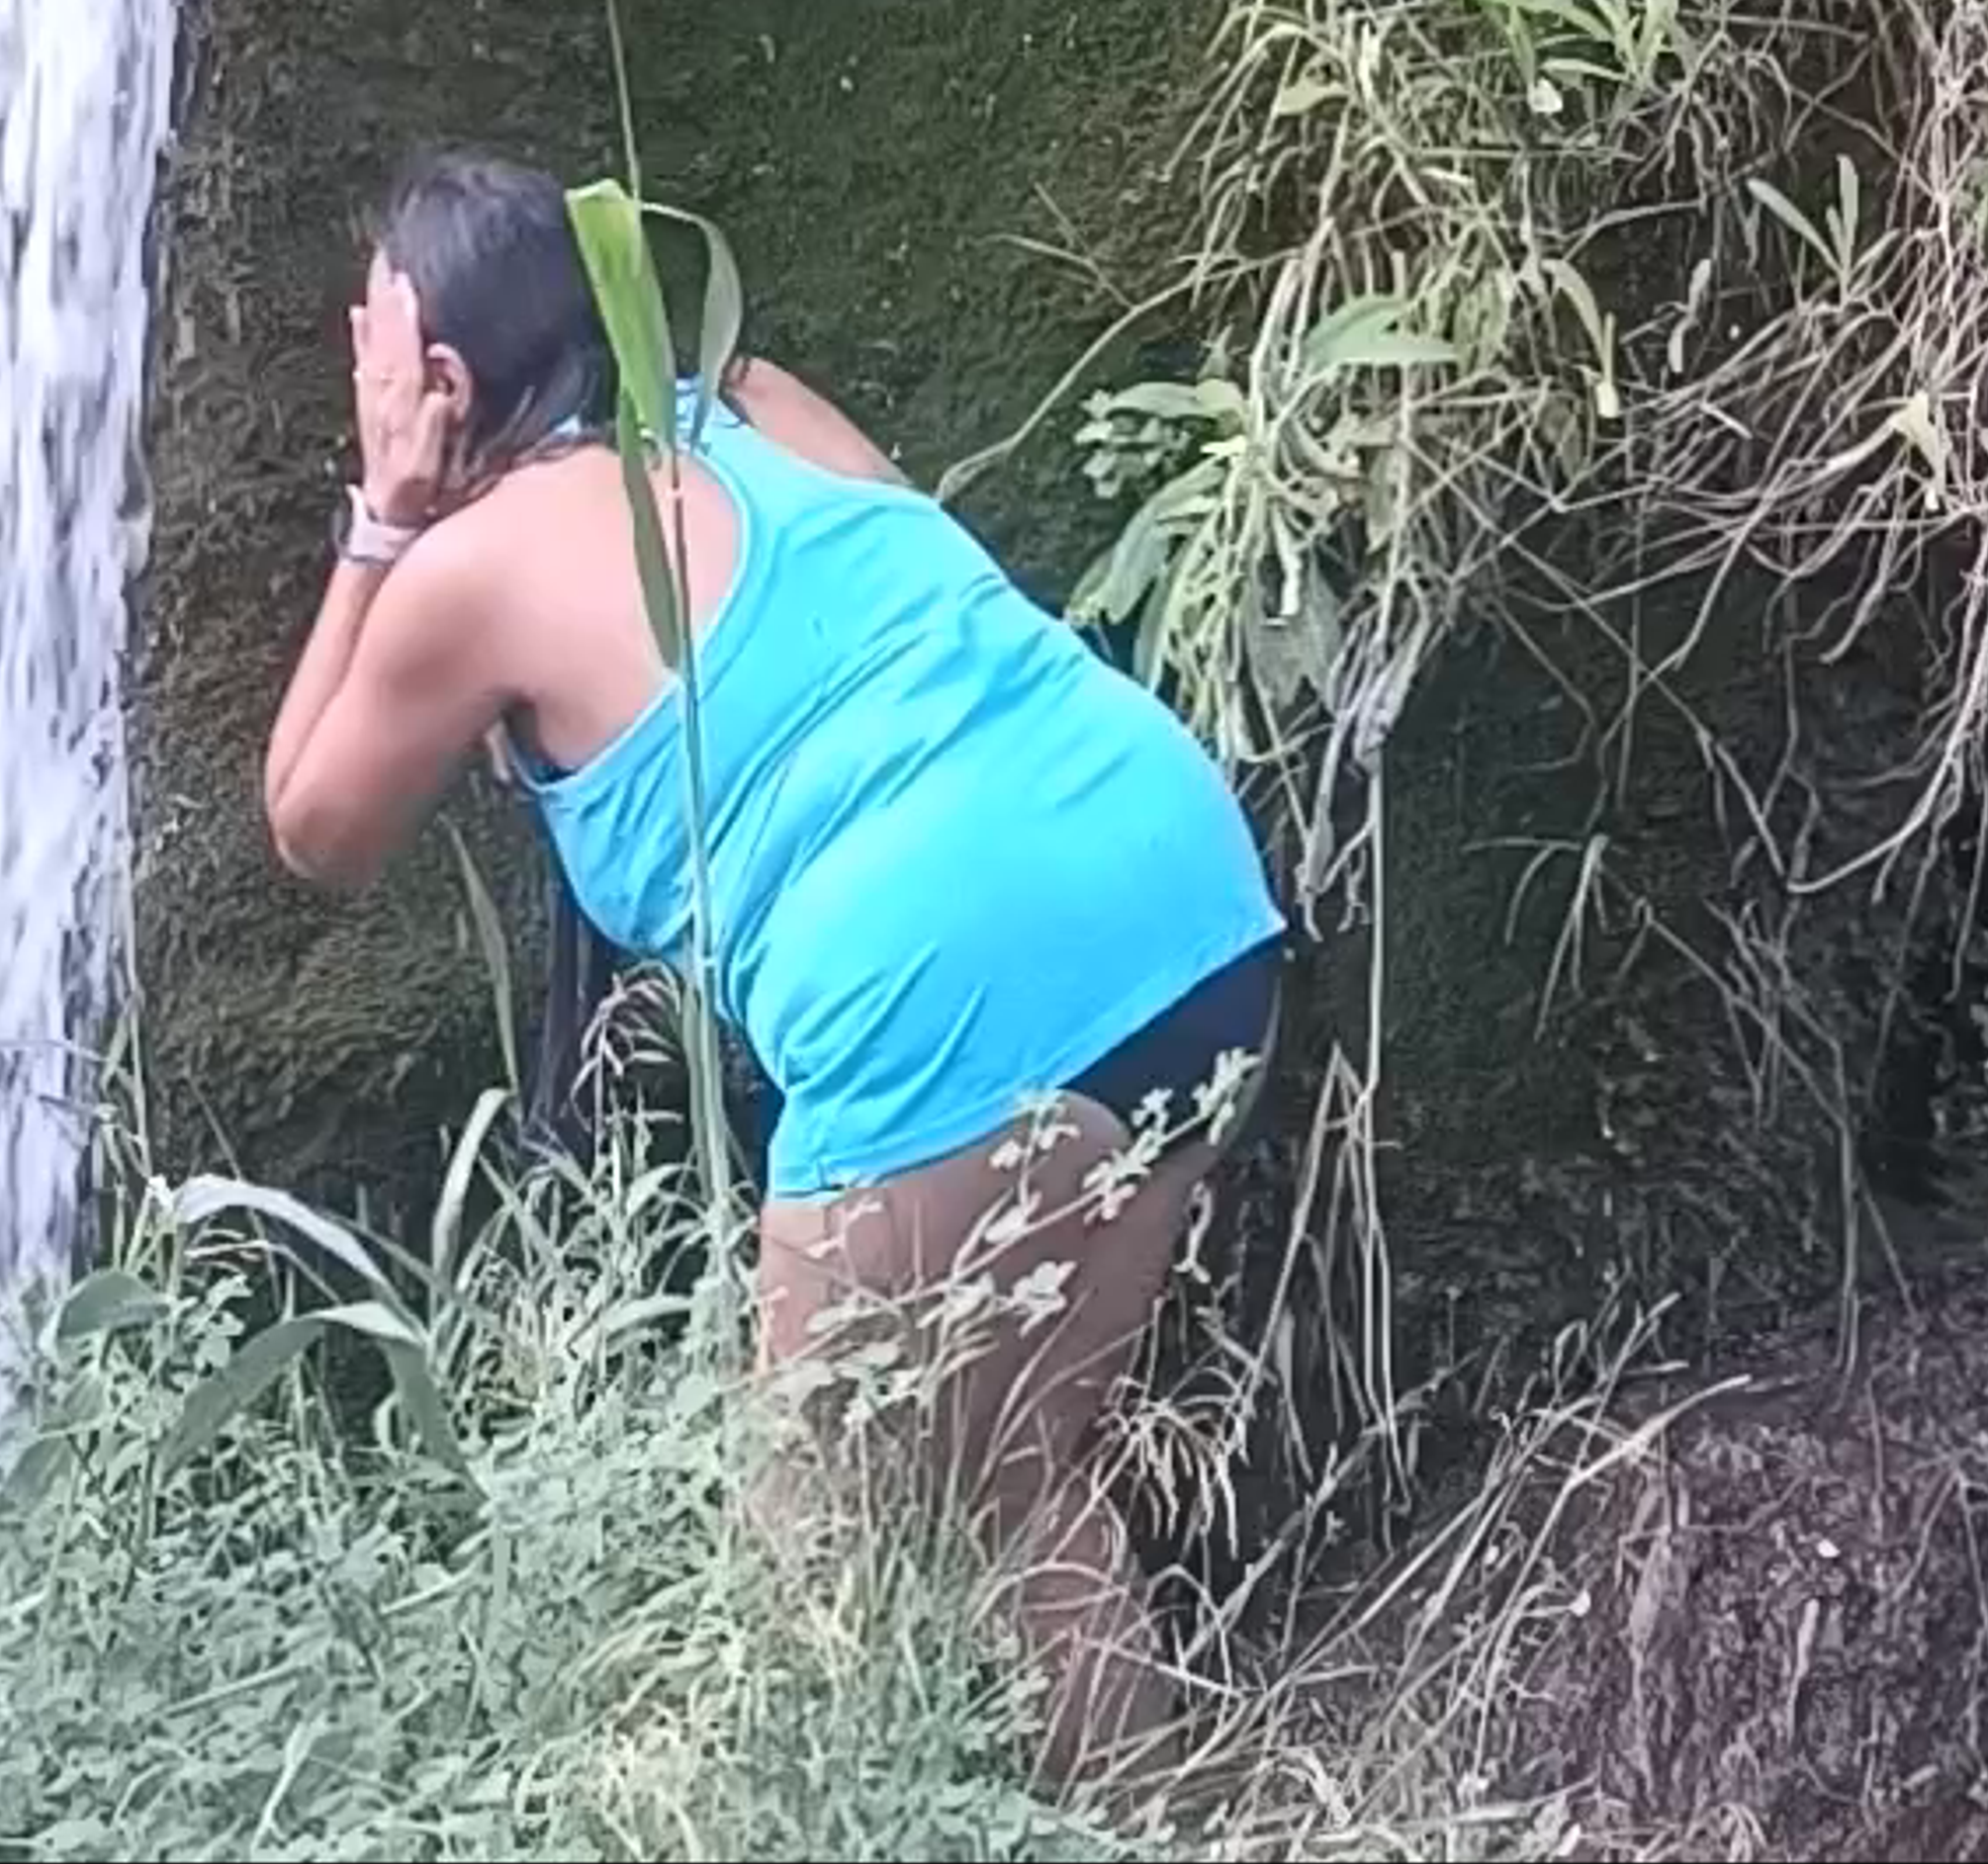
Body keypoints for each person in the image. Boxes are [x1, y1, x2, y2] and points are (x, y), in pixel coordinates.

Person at [260, 149, 1285, 1789]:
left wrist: (384, 514)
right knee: (1015, 1483)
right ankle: (1164, 1818)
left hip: (943, 976)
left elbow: (314, 823)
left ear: (440, 382)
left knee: (800, 1572)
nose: (356, 382)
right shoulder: (755, 401)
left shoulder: (472, 565)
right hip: (1181, 887)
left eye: (367, 354)